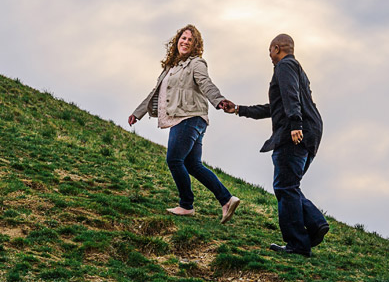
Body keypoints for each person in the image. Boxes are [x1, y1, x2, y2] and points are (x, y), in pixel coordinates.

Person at [223, 34, 328, 257]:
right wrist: (240, 109)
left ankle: (298, 244)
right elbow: (276, 107)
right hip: (311, 133)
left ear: (276, 48)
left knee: (284, 187)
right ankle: (316, 224)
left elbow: (290, 97)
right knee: (289, 185)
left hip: (297, 132)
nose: (269, 57)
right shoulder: (298, 70)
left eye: (270, 52)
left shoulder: (285, 65)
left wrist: (295, 124)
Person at [128, 25, 240, 222]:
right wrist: (138, 113)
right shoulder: (170, 68)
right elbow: (154, 93)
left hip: (189, 117)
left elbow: (206, 84)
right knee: (192, 164)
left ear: (195, 45)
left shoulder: (196, 63)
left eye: (190, 40)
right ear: (177, 40)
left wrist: (219, 100)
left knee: (173, 160)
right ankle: (227, 200)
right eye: (183, 38)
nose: (185, 41)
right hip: (188, 119)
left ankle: (186, 205)